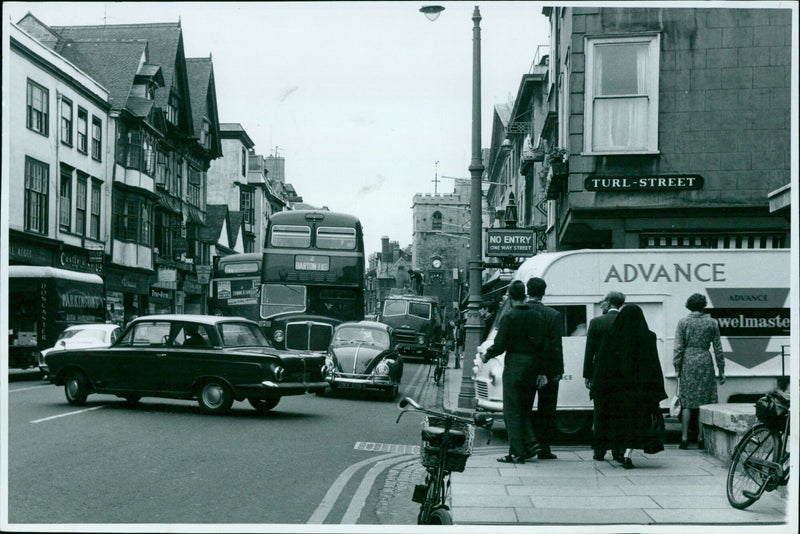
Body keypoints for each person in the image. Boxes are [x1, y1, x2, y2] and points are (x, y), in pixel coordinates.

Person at [591, 305, 667, 469]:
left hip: (617, 391)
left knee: (619, 423)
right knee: (636, 424)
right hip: (640, 392)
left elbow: (604, 364)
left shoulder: (612, 336)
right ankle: (626, 454)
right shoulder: (649, 337)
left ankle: (619, 451)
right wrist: (656, 392)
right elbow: (654, 365)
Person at [482, 280, 547, 464]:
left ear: (510, 297)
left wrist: (487, 355)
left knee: (511, 410)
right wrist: (542, 371)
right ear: (525, 296)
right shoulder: (537, 316)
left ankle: (516, 452)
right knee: (525, 408)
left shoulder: (509, 317)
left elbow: (500, 345)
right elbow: (543, 346)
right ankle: (530, 444)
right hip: (533, 367)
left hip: (515, 367)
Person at [673, 293, 725, 450]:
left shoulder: (683, 322)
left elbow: (678, 347)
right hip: (704, 360)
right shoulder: (712, 322)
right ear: (703, 305)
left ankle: (684, 439)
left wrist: (677, 367)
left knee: (687, 402)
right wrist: (721, 369)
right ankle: (702, 438)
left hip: (688, 361)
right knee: (705, 401)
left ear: (689, 305)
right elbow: (718, 348)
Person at [583, 291, 626, 461]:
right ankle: (617, 451)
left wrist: (587, 375)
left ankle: (599, 451)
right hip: (622, 377)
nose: (601, 304)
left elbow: (590, 352)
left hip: (600, 375)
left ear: (609, 303)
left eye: (602, 301)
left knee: (600, 413)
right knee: (618, 414)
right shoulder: (627, 322)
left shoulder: (596, 323)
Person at [526, 277, 563, 460]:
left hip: (525, 369)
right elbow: (556, 345)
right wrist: (558, 370)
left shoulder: (518, 312)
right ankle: (544, 448)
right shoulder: (553, 315)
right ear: (544, 292)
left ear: (527, 291)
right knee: (546, 410)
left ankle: (525, 445)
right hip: (548, 369)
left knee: (523, 408)